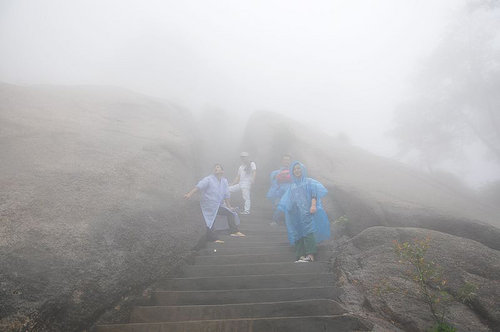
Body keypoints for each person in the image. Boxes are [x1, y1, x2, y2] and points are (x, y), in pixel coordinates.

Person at [278, 161, 330, 262]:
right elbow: (289, 200)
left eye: (298, 168)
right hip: (296, 214)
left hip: (307, 212)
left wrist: (313, 205)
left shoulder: (309, 182)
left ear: (303, 169)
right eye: (294, 169)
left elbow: (314, 193)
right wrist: (288, 210)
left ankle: (310, 255)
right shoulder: (292, 186)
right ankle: (300, 255)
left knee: (308, 231)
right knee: (297, 232)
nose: (297, 171)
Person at [185, 164, 246, 242]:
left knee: (230, 213)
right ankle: (213, 238)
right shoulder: (208, 179)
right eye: (215, 167)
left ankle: (234, 231)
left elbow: (226, 194)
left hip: (218, 205)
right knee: (211, 219)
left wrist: (229, 206)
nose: (215, 168)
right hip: (208, 204)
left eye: (218, 167)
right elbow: (199, 186)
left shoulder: (224, 181)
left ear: (222, 171)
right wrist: (189, 194)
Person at [267, 153, 292, 226]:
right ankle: (276, 220)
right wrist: (276, 191)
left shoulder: (294, 171)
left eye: (288, 160)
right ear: (282, 161)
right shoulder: (275, 172)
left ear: (291, 161)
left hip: (290, 192)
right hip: (279, 192)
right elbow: (273, 183)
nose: (286, 161)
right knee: (280, 205)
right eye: (285, 160)